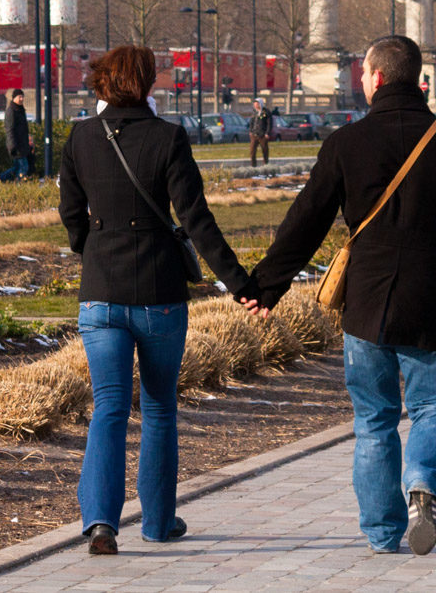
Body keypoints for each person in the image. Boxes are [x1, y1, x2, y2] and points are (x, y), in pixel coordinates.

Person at [241, 34, 436, 557]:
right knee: (435, 405)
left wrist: (267, 285)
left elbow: (305, 221)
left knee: (374, 420)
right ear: (417, 79)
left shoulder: (346, 143)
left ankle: (383, 535)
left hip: (367, 307)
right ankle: (424, 480)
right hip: (435, 300)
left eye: (362, 74)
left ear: (376, 77)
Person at [58, 45, 253, 555]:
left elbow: (71, 214)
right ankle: (158, 522)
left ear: (103, 83)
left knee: (108, 408)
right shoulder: (168, 137)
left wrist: (93, 249)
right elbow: (196, 220)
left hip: (100, 294)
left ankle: (101, 522)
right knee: (160, 406)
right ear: (146, 84)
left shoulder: (79, 137)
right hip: (160, 295)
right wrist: (240, 284)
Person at [0, 89, 32, 181]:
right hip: (17, 145)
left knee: (17, 168)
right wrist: (12, 146)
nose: (21, 99)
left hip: (22, 145)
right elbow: (9, 129)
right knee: (23, 167)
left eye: (22, 96)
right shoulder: (11, 111)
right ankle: (16, 185)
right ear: (14, 98)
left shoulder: (20, 110)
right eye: (19, 97)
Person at [247, 98, 272, 165]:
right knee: (252, 151)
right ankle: (253, 165)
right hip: (254, 134)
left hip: (263, 135)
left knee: (264, 150)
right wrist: (250, 131)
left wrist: (267, 133)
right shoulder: (254, 113)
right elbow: (251, 122)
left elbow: (269, 123)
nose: (255, 105)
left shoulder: (266, 112)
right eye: (254, 104)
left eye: (257, 104)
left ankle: (265, 164)